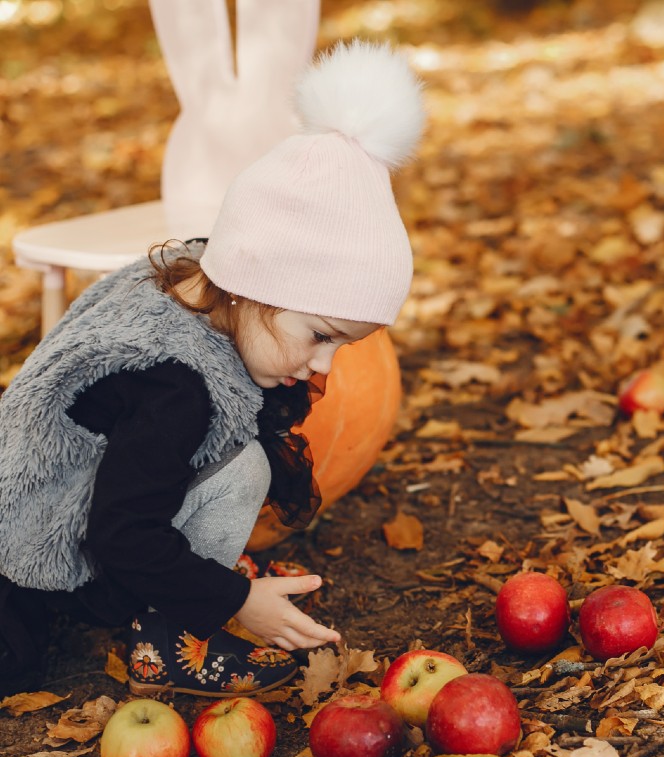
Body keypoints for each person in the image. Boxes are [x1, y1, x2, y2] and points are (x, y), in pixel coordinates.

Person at [0, 41, 425, 698]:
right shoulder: (175, 389)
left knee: (237, 456)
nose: (323, 366)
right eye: (320, 336)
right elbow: (122, 534)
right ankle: (164, 633)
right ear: (255, 280)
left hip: (70, 492)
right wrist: (233, 601)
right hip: (42, 542)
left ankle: (186, 577)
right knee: (245, 467)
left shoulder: (188, 278)